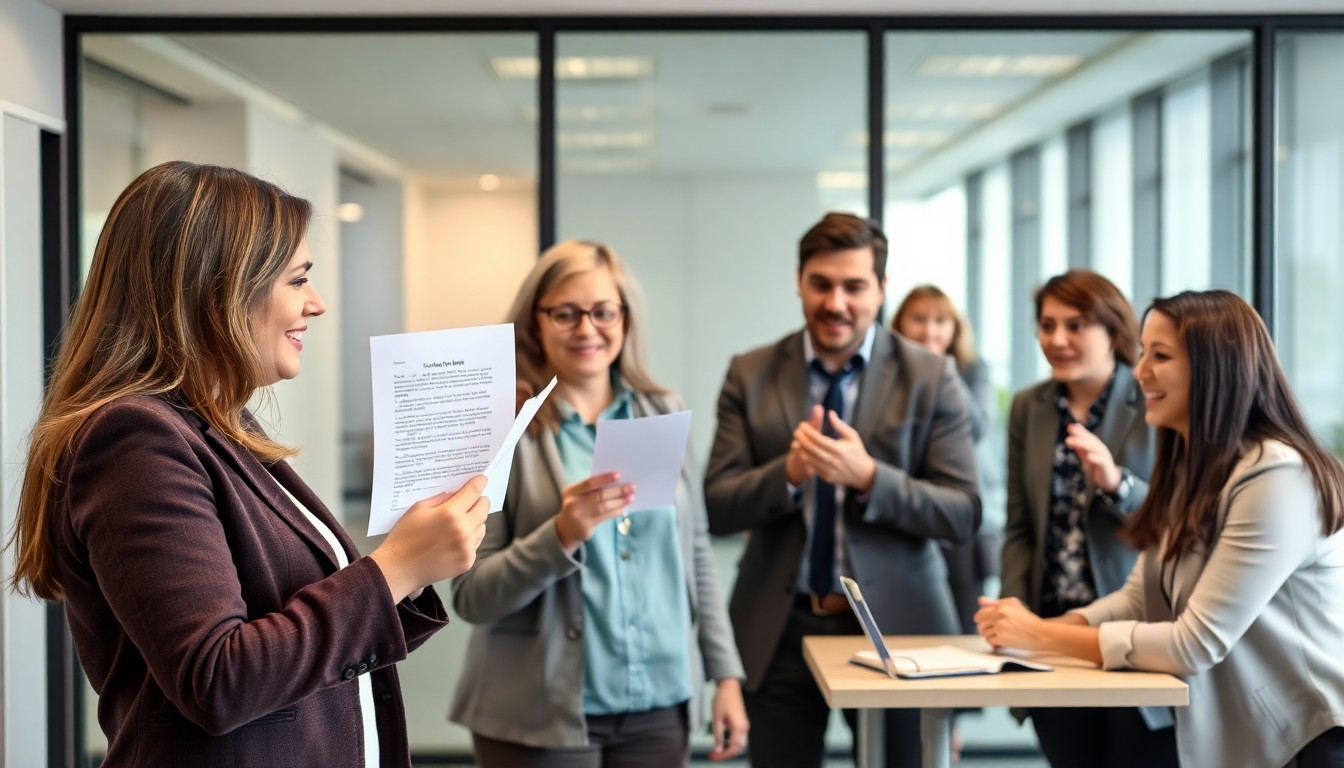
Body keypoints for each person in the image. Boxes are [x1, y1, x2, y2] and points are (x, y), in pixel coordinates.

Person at [5, 161, 489, 767]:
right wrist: (397, 567)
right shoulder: (135, 439)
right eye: (297, 279)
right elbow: (218, 678)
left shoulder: (217, 423)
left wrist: (410, 567)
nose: (316, 304)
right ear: (220, 290)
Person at [977, 289, 1344, 768]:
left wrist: (1041, 637)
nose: (1140, 370)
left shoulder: (1277, 476)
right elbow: (1138, 598)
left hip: (1306, 742)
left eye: (1161, 356)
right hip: (1251, 739)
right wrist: (1035, 628)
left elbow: (1194, 643)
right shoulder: (1196, 470)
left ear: (1215, 369)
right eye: (1143, 353)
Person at [450, 239, 749, 767]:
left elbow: (696, 552)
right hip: (540, 711)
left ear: (625, 318)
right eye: (566, 313)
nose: (587, 329)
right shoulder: (500, 427)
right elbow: (473, 597)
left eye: (603, 312)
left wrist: (724, 675)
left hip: (660, 704)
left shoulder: (662, 409)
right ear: (536, 321)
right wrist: (561, 534)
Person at [704, 212, 980, 768]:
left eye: (854, 286)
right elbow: (716, 507)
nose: (836, 303)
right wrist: (788, 473)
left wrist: (870, 477)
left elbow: (962, 513)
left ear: (881, 288)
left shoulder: (930, 376)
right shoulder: (750, 373)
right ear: (798, 281)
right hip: (778, 627)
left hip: (900, 628)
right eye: (821, 284)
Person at [998, 269, 1176, 767]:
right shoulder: (1029, 408)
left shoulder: (1155, 400)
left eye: (1075, 325)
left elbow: (1182, 520)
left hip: (1133, 631)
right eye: (1047, 325)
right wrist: (1014, 614)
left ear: (1113, 330)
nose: (1057, 339)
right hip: (1052, 634)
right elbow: (1020, 528)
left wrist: (1117, 485)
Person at [891, 284, 1000, 761]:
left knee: (958, 628)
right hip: (913, 516)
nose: (929, 330)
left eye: (940, 321)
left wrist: (941, 370)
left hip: (964, 524)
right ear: (900, 325)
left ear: (955, 330)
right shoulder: (890, 375)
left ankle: (948, 726)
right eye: (919, 319)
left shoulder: (970, 371)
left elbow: (977, 426)